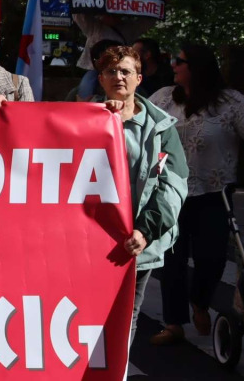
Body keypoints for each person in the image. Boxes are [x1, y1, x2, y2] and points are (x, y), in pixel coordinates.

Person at [149, 44, 244, 345]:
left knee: (212, 258)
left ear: (196, 67)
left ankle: (200, 300)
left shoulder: (230, 103)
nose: (173, 65)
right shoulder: (164, 98)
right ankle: (173, 323)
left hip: (214, 192)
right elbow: (140, 127)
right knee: (172, 260)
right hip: (170, 191)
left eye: (178, 61)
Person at [95, 44, 188, 348]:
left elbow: (172, 184)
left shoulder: (161, 129)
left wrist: (146, 230)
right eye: (111, 71)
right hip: (87, 240)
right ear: (101, 79)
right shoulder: (78, 118)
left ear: (138, 78)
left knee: (125, 317)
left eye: (126, 71)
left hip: (135, 241)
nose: (118, 76)